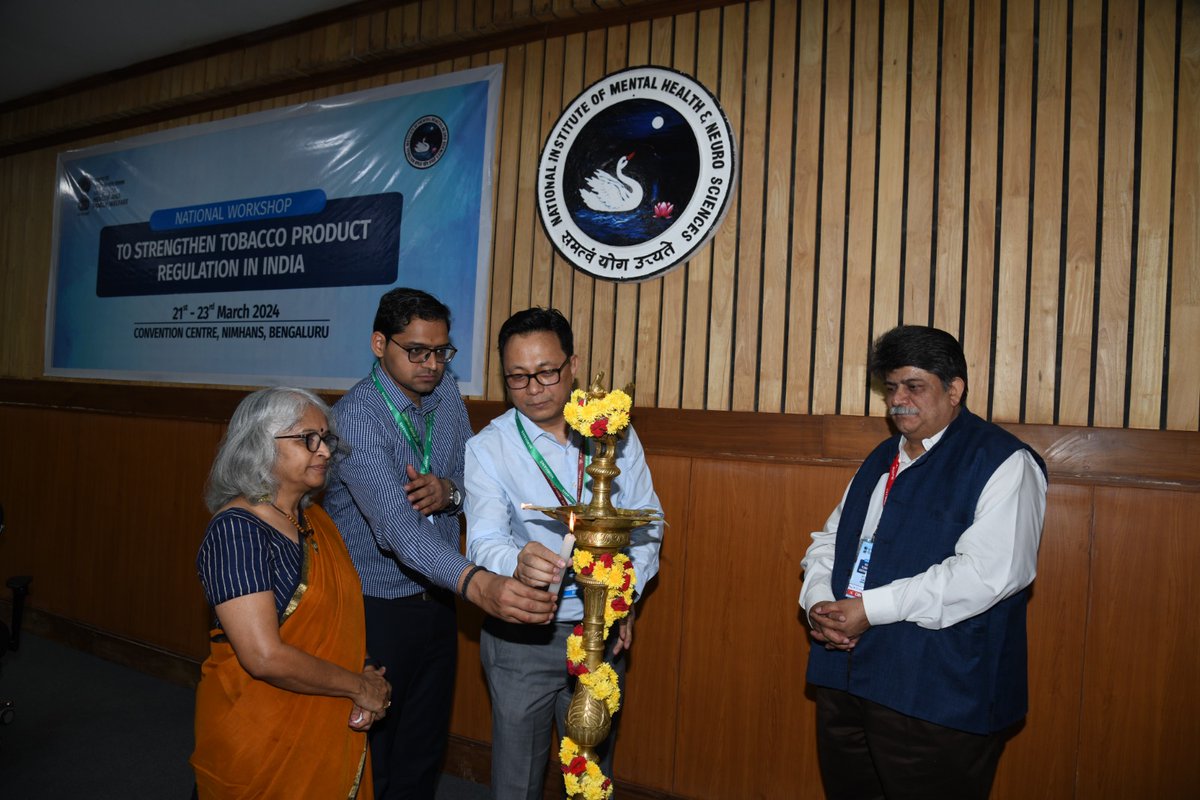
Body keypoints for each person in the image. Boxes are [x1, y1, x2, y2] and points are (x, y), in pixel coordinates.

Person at [323, 288, 556, 799]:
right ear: (379, 344)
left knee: (422, 747)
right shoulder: (358, 419)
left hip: (438, 598)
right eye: (417, 351)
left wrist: (449, 492)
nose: (432, 364)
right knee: (372, 748)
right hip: (376, 603)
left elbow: (467, 477)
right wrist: (476, 582)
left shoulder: (445, 389)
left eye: (441, 351)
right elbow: (397, 529)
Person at [799, 325, 1048, 800]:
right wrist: (819, 602)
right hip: (847, 680)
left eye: (915, 386)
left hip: (940, 696)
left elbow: (986, 575)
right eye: (891, 388)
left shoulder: (1003, 462)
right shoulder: (880, 458)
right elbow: (831, 539)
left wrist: (868, 610)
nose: (899, 400)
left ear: (955, 389)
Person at [464, 307, 664, 800]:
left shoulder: (611, 431)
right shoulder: (489, 447)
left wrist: (621, 597)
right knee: (517, 781)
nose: (534, 388)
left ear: (573, 365)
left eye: (547, 372)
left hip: (599, 631)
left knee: (591, 770)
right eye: (517, 378)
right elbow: (482, 538)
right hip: (522, 636)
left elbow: (645, 524)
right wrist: (516, 559)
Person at [192, 387, 390, 799]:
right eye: (307, 439)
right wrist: (356, 686)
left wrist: (368, 673)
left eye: (326, 440)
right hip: (259, 742)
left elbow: (341, 617)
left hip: (326, 720)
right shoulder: (237, 531)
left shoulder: (316, 521)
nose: (323, 452)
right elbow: (264, 657)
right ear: (260, 445)